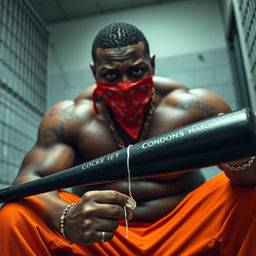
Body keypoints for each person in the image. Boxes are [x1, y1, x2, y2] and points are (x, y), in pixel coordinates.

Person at [1, 22, 256, 256]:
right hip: (103, 240)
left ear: (152, 64)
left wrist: (242, 156)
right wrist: (66, 217)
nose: (125, 85)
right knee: (15, 215)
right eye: (111, 75)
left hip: (185, 230)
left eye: (137, 71)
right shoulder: (72, 118)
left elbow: (248, 178)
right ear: (94, 72)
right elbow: (28, 180)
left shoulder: (194, 106)